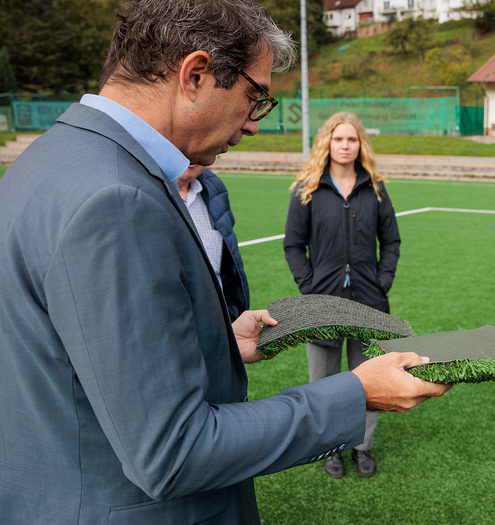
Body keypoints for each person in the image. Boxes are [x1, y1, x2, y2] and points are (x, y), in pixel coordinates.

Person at [0, 1, 449, 522]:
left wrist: (211, 338)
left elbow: (75, 354)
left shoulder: (49, 158)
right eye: (254, 97)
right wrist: (356, 393)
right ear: (195, 75)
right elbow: (172, 452)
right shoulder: (116, 199)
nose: (254, 124)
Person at [283, 111, 400, 478]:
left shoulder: (375, 189)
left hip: (369, 301)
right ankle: (329, 448)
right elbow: (293, 246)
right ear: (327, 143)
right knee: (323, 384)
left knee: (370, 379)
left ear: (360, 143)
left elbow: (391, 241)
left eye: (351, 139)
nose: (345, 145)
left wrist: (382, 280)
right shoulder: (308, 188)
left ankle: (361, 447)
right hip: (322, 303)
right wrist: (310, 287)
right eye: (338, 139)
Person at [177, 164, 250, 320]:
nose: (190, 158)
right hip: (174, 328)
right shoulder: (145, 190)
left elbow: (228, 266)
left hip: (217, 321)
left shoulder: (214, 187)